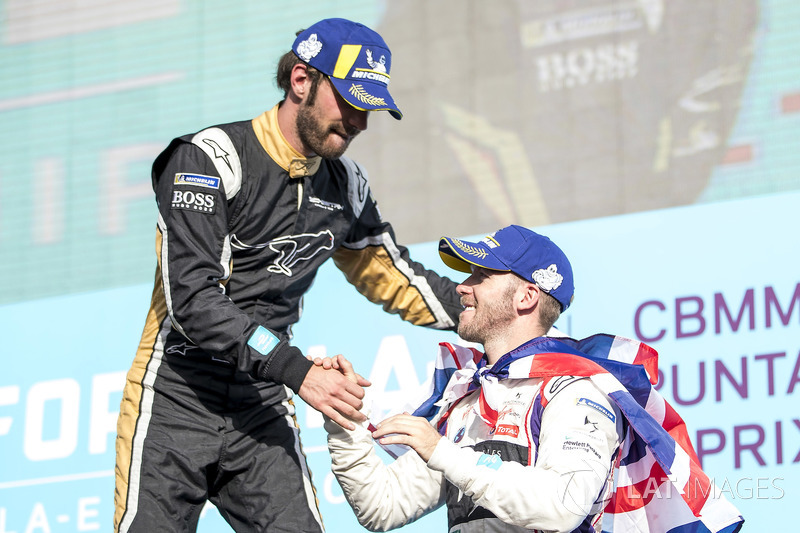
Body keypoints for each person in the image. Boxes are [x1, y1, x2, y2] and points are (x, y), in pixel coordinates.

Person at [113, 18, 461, 533]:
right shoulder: (210, 158)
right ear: (302, 81)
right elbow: (194, 303)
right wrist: (299, 371)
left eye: (370, 109)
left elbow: (395, 276)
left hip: (261, 400)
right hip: (175, 394)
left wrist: (494, 316)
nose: (360, 123)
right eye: (350, 103)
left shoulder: (346, 185)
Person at [325, 224, 744, 532]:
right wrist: (341, 416)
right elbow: (382, 507)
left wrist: (444, 452)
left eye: (480, 276)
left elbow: (561, 505)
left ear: (527, 296)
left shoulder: (573, 388)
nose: (461, 288)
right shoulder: (468, 400)